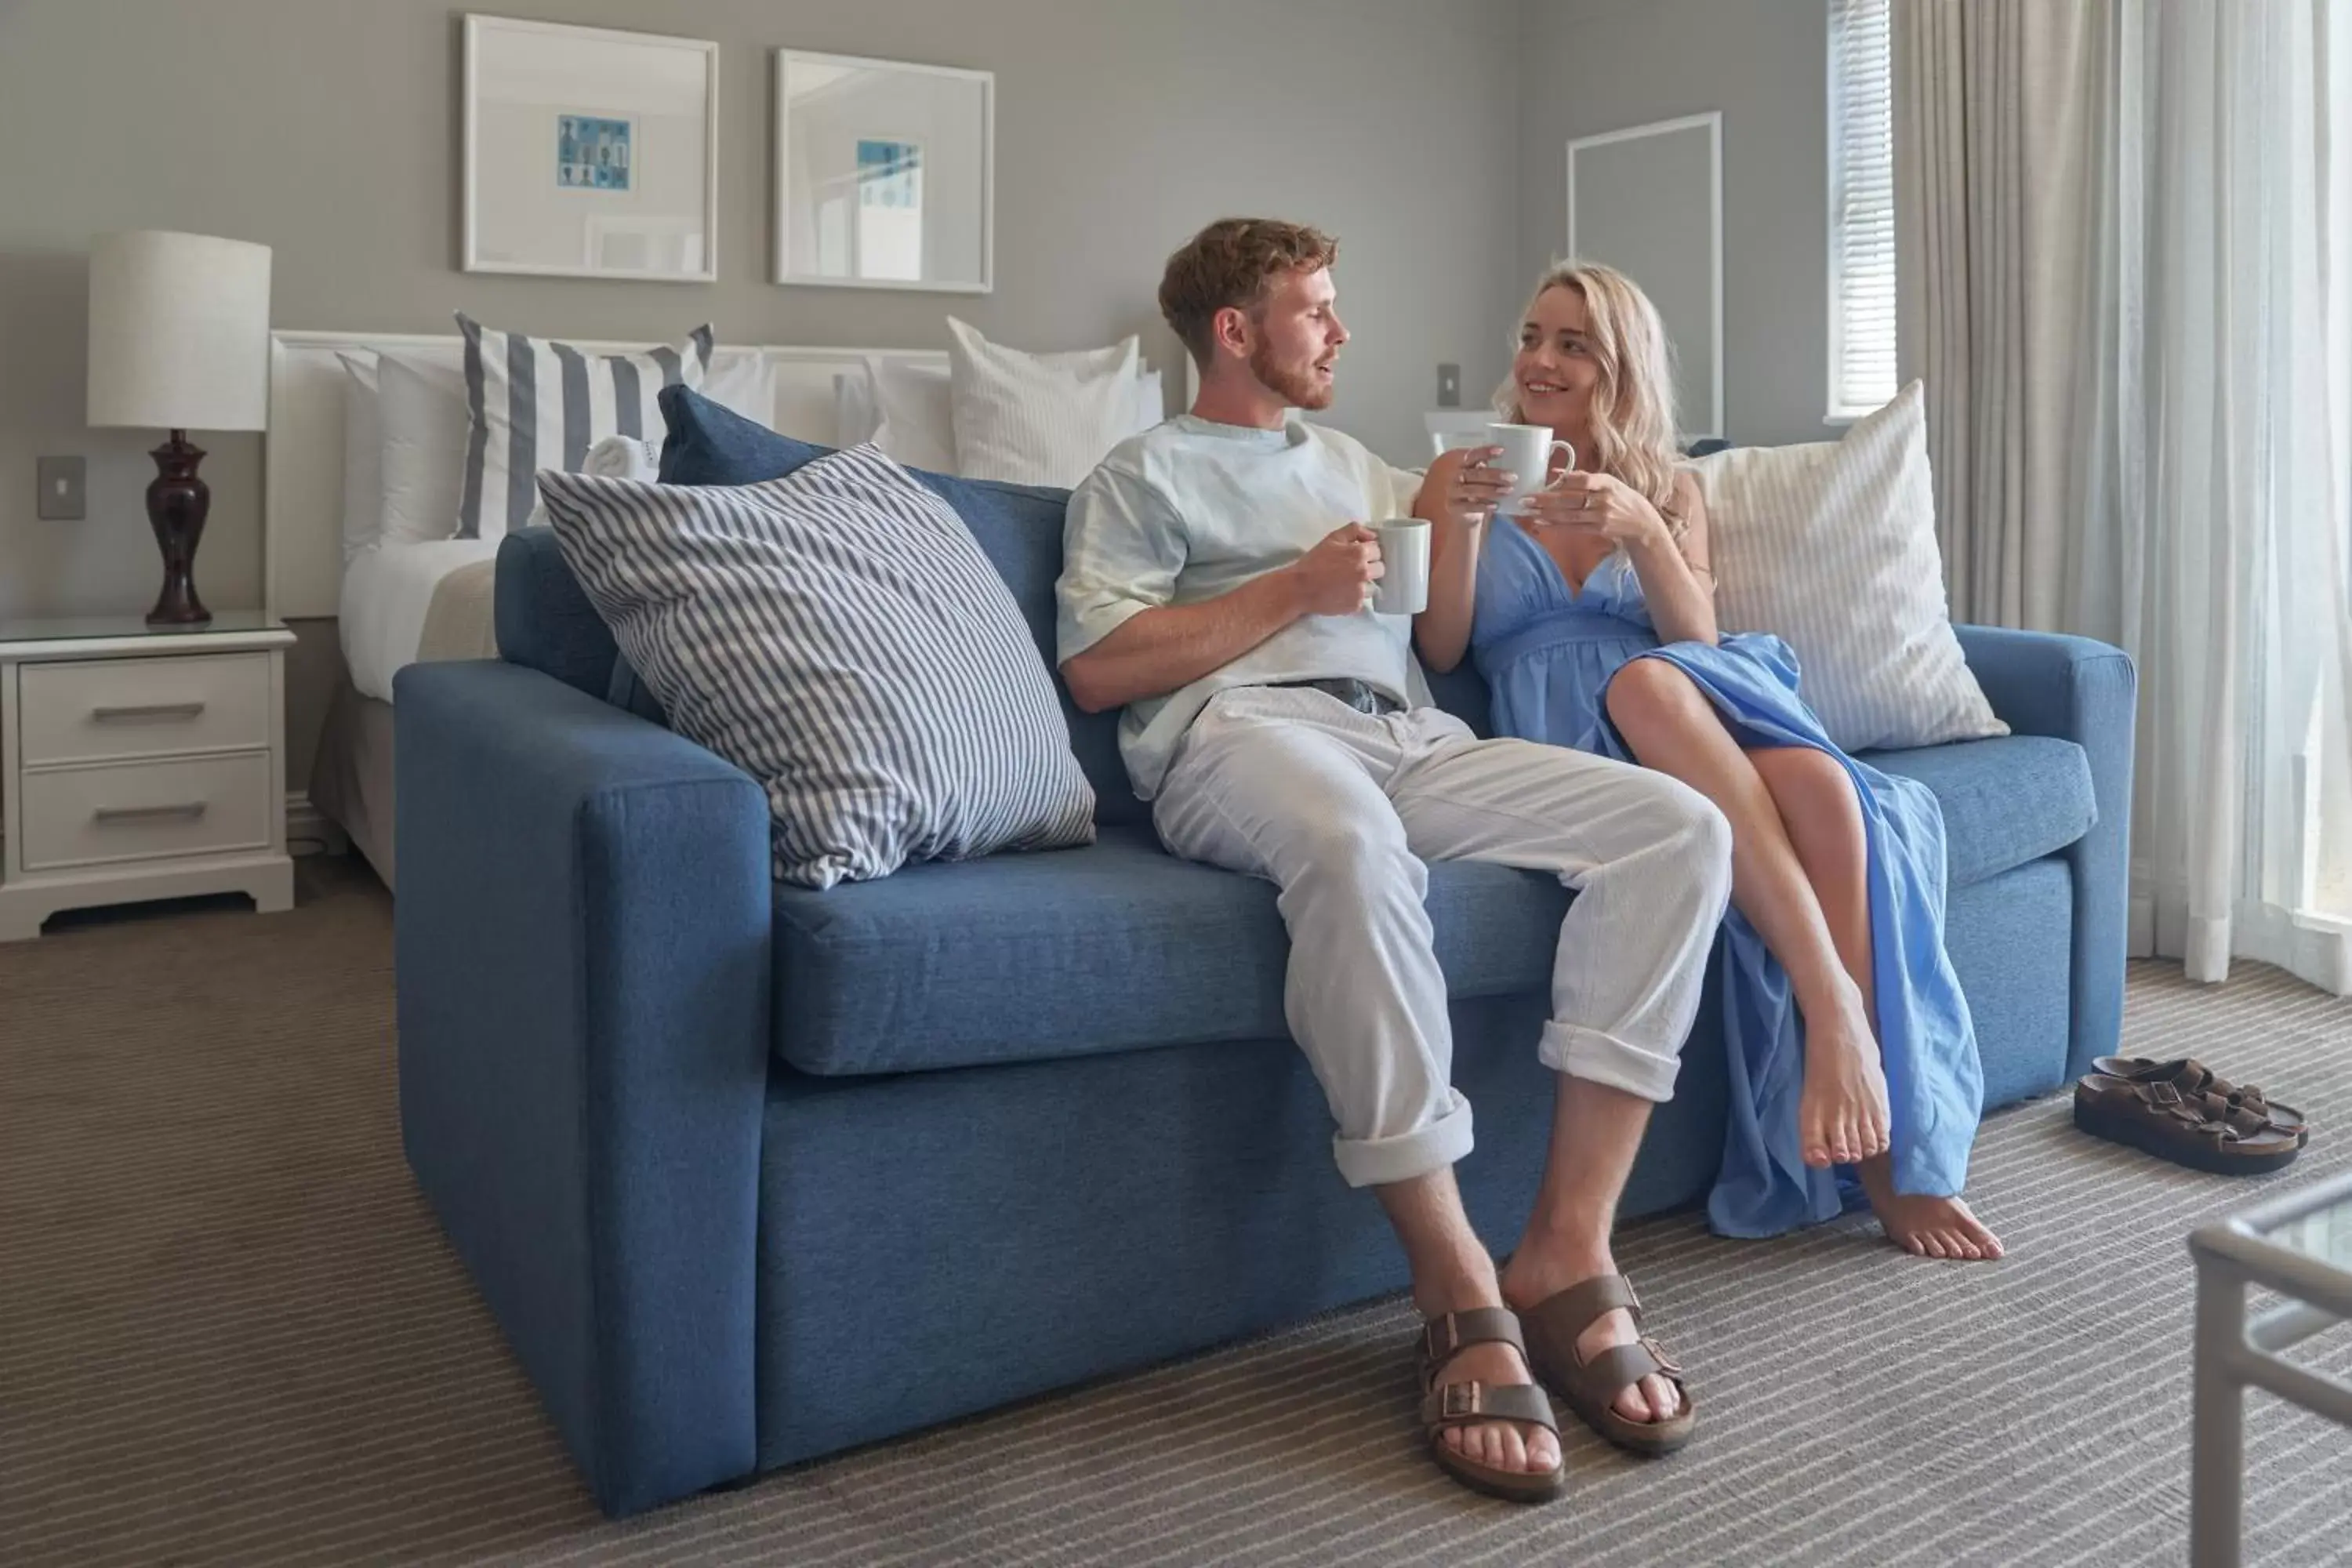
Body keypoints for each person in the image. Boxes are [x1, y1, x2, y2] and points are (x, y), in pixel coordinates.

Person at [1056, 220, 1734, 1504]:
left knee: (1677, 828)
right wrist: (1291, 592)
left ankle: (1565, 1252)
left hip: (1411, 736)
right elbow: (1099, 669)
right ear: (1238, 333)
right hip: (1240, 736)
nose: (1343, 331)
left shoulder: (1364, 463)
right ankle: (1454, 1280)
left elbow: (1441, 617)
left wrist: (1483, 508)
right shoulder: (1141, 476)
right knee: (1351, 845)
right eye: (1316, 310)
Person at [1410, 260, 2002, 1261]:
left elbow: (1699, 637)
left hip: (1695, 705)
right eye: (1532, 336)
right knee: (1673, 708)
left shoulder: (1667, 484)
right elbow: (1442, 649)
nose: (1539, 360)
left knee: (1810, 777)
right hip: (1578, 737)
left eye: (1572, 343)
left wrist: (1646, 532)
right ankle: (1838, 1017)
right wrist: (1462, 523)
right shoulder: (1463, 473)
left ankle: (1886, 1151)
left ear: (1619, 365)